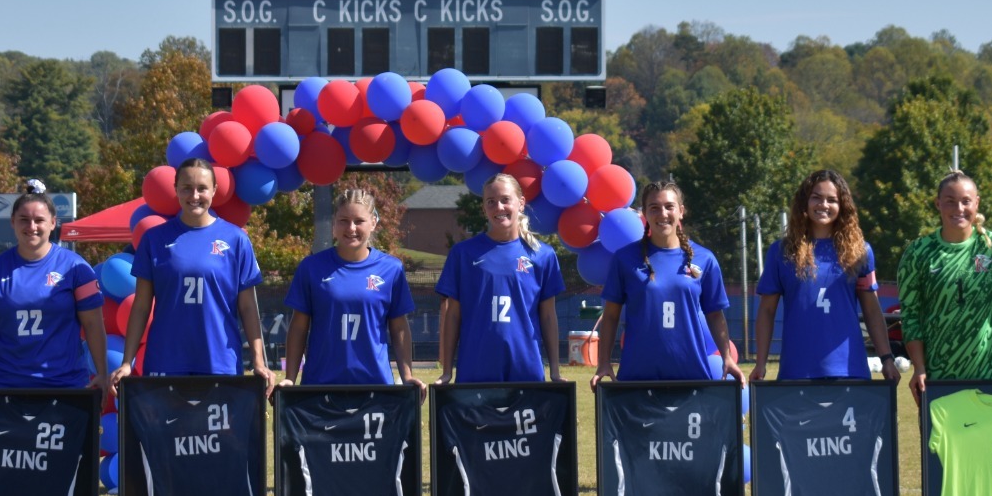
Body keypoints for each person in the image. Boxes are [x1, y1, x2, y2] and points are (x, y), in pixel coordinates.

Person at [112, 158, 274, 496]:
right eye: (187, 188)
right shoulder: (156, 239)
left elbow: (247, 308)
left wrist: (258, 359)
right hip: (167, 367)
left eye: (202, 188)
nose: (195, 195)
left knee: (216, 463)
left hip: (220, 367)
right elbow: (142, 306)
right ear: (176, 191)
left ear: (216, 190)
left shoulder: (235, 240)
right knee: (171, 464)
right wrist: (128, 360)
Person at [0, 185, 109, 396]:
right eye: (24, 219)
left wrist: (102, 372)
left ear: (53, 223)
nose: (31, 226)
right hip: (6, 384)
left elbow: (93, 323)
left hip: (64, 384)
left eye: (39, 220)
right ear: (13, 222)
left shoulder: (77, 268)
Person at [750, 169, 900, 383]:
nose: (824, 205)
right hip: (798, 371)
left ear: (843, 206)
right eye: (816, 198)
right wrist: (761, 363)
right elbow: (766, 311)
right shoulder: (781, 251)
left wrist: (886, 358)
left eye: (832, 200)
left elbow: (872, 309)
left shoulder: (860, 251)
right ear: (805, 201)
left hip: (849, 370)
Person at [592, 178, 740, 386]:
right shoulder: (625, 259)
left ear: (681, 211)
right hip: (637, 377)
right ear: (644, 213)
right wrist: (604, 362)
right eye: (654, 208)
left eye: (669, 207)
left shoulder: (704, 259)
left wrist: (727, 357)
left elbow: (715, 314)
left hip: (691, 376)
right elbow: (610, 316)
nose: (662, 214)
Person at [897, 170, 992, 404]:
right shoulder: (918, 253)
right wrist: (919, 368)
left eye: (966, 201)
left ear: (976, 203)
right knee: (943, 442)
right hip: (939, 377)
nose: (959, 209)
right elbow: (911, 316)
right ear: (938, 204)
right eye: (950, 201)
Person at [280, 185, 424, 396]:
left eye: (359, 221)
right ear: (333, 225)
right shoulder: (311, 267)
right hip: (320, 386)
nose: (351, 228)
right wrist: (290, 379)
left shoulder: (391, 269)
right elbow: (299, 327)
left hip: (376, 386)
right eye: (344, 221)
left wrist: (407, 375)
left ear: (373, 223)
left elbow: (399, 327)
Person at [436, 172, 565, 384]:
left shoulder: (542, 255)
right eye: (491, 202)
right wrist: (447, 371)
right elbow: (452, 316)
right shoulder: (463, 254)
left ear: (521, 203)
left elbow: (548, 317)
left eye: (505, 200)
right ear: (484, 208)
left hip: (525, 368)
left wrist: (555, 372)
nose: (499, 207)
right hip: (475, 368)